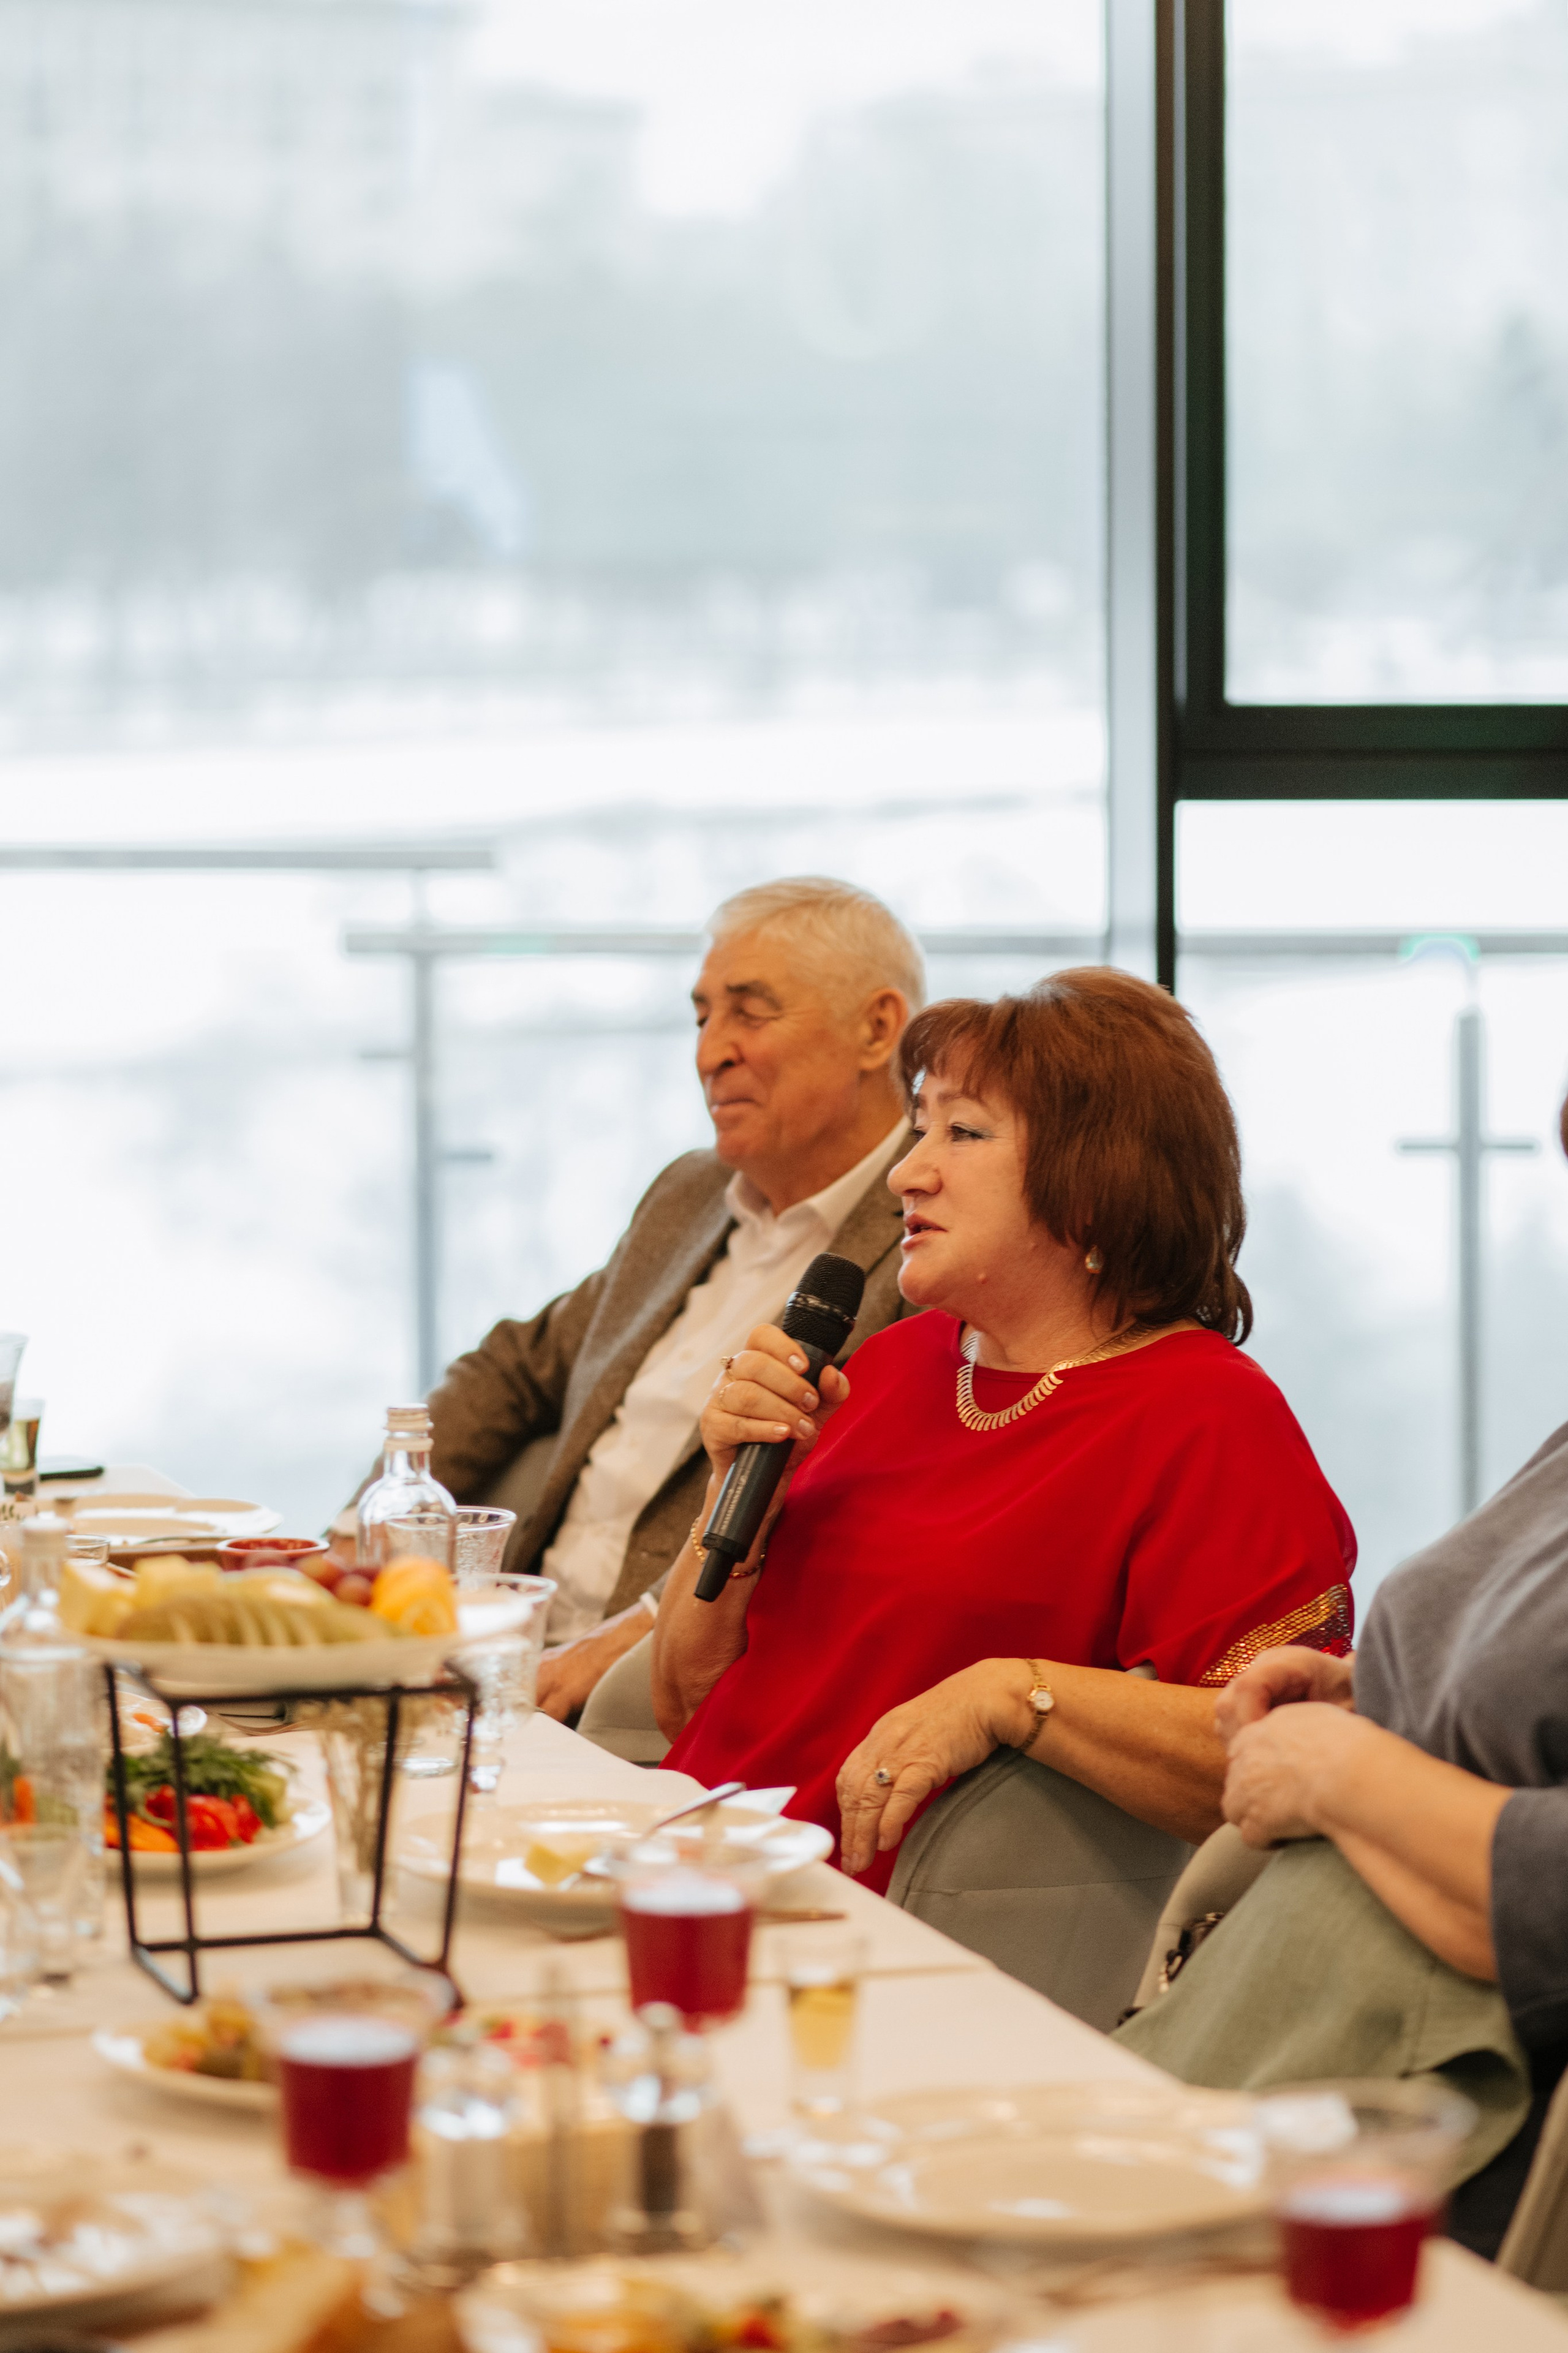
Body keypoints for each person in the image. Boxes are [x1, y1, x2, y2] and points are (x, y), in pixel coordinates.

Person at [651, 969, 1357, 1892]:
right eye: (919, 1128)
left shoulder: (1207, 1415)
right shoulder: (891, 1367)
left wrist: (1016, 1693)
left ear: (1099, 1181)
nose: (908, 1171)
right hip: (677, 1856)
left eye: (964, 1131)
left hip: (864, 1928)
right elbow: (682, 1703)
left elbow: (1286, 1753)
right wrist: (732, 1500)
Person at [1112, 1090, 1568, 2258]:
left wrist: (1342, 1783)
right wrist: (1375, 1689)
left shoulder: (1204, 1405)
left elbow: (1542, 1908)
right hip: (1296, 2042)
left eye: (961, 1131)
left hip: (1450, 2141)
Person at [361, 877, 927, 1721]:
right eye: (703, 1018)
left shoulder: (931, 1236)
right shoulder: (691, 1193)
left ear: (877, 1028)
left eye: (750, 1012)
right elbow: (519, 1362)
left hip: (651, 1697)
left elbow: (834, 1521)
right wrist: (358, 1536)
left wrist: (622, 1642)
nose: (710, 1053)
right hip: (511, 1646)